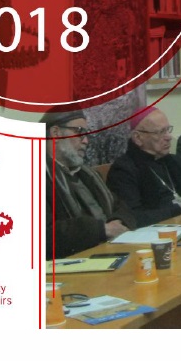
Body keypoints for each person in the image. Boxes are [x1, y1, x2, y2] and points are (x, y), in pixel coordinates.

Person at [42, 108, 135, 259]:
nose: (86, 141)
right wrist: (102, 230)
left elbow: (120, 205)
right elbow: (41, 236)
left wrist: (117, 222)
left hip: (109, 250)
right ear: (56, 133)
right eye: (79, 132)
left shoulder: (87, 174)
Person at [106, 106, 181, 227]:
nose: (168, 137)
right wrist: (179, 210)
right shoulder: (123, 170)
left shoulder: (171, 161)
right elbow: (132, 217)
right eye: (160, 132)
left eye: (168, 130)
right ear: (138, 138)